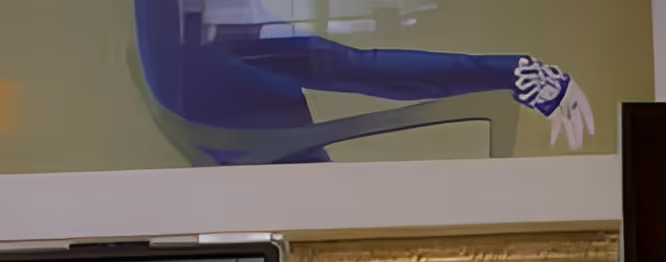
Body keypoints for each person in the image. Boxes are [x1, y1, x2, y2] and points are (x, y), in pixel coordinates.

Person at [133, 0, 594, 164]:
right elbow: (358, 67)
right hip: (292, 202)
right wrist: (517, 73)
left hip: (264, 188)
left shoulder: (182, 19)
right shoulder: (219, 27)